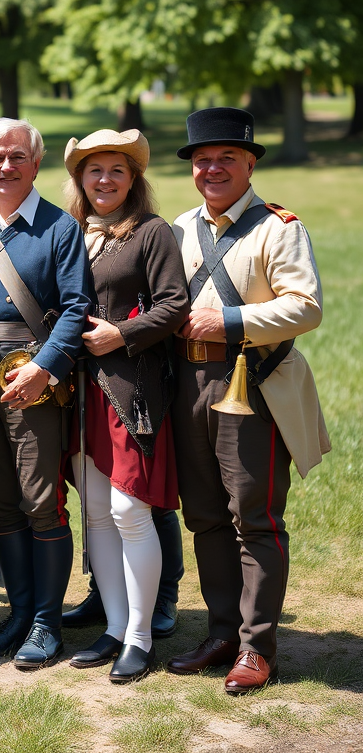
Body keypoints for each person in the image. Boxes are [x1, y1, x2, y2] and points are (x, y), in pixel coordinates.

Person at [166, 108, 328, 694]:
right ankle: (221, 632)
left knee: (254, 519)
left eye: (226, 158)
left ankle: (258, 648)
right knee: (205, 516)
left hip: (251, 385)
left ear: (250, 163)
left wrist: (227, 319)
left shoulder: (278, 227)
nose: (212, 169)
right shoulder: (180, 228)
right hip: (187, 386)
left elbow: (305, 307)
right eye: (202, 160)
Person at [62, 129, 189, 682]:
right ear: (80, 179)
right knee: (93, 515)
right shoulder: (70, 234)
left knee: (129, 512)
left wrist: (121, 334)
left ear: (133, 178)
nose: (105, 179)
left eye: (116, 169)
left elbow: (174, 306)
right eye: (94, 170)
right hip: (77, 393)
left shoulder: (151, 232)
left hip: (130, 389)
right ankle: (113, 627)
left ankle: (140, 636)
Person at [0, 117, 91, 669]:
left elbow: (76, 308)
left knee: (42, 503)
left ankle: (46, 621)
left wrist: (45, 368)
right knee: (1, 503)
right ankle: (18, 613)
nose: (7, 167)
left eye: (18, 157)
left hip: (34, 376)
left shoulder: (60, 229)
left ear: (36, 164)